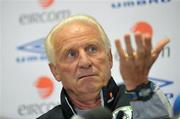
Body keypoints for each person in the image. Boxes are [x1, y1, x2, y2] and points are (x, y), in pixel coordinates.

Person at [37, 14, 173, 119]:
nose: (85, 62)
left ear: (109, 58)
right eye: (71, 54)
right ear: (55, 71)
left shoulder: (142, 97)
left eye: (92, 49)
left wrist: (140, 88)